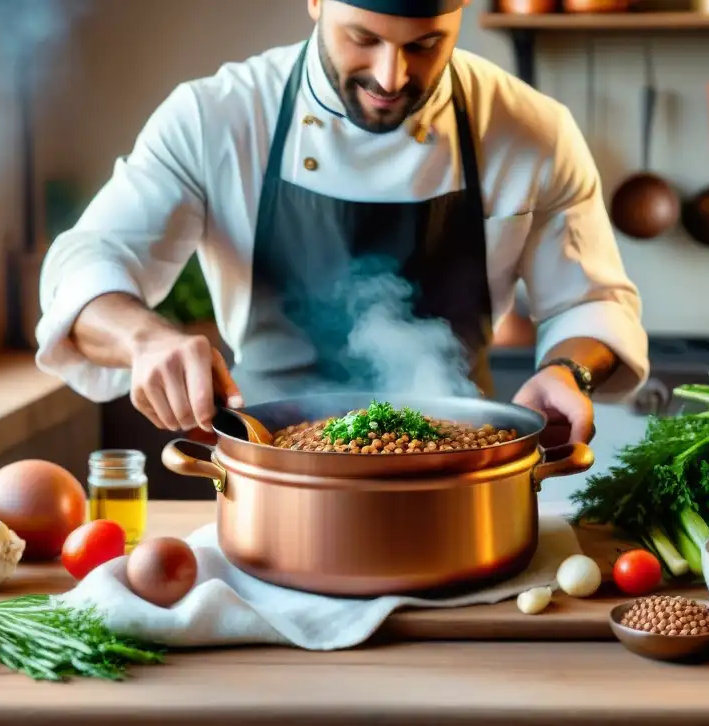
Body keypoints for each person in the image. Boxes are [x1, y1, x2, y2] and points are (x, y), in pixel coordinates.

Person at [35, 0, 649, 447]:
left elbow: (589, 302)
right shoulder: (217, 117)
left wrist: (567, 370)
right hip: (268, 467)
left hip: (456, 466)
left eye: (424, 45)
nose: (391, 77)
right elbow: (86, 267)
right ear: (315, 3)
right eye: (363, 38)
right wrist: (146, 340)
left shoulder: (531, 130)